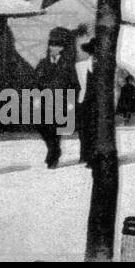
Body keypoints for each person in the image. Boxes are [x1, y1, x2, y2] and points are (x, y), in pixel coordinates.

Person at [34, 29, 77, 168]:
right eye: (52, 45)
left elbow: (74, 84)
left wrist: (69, 101)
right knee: (42, 128)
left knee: (55, 130)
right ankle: (54, 150)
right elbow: (35, 82)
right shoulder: (42, 63)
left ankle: (53, 156)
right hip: (44, 102)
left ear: (63, 48)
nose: (54, 48)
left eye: (58, 45)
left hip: (61, 102)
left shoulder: (68, 65)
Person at [75, 40, 95, 167]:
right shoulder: (79, 66)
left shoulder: (107, 68)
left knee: (95, 131)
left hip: (98, 103)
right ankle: (84, 154)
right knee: (83, 131)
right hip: (83, 102)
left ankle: (92, 158)